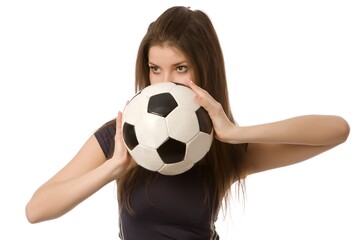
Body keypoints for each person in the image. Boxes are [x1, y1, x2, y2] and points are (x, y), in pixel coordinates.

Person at [25, 6, 350, 240]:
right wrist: (112, 167)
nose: (165, 81)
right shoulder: (123, 135)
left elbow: (336, 131)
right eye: (155, 69)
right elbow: (36, 210)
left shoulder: (225, 151)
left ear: (204, 69)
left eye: (180, 68)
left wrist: (235, 133)